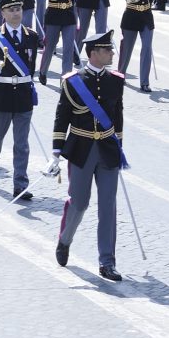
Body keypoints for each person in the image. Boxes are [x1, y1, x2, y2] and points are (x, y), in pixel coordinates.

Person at [48, 29, 126, 282]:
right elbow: (62, 117)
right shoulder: (73, 82)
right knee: (79, 202)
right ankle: (65, 239)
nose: (112, 53)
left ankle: (107, 262)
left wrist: (120, 146)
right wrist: (56, 153)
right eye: (107, 50)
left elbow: (118, 116)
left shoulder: (116, 80)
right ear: (94, 53)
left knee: (108, 207)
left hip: (107, 149)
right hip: (81, 149)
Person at [0, 0, 40, 200]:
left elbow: (31, 64)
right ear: (3, 13)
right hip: (2, 93)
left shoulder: (31, 36)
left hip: (23, 94)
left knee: (21, 143)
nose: (16, 13)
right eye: (11, 10)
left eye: (18, 9)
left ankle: (20, 184)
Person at [37, 0, 80, 84]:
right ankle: (43, 71)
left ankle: (65, 78)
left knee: (68, 47)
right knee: (50, 46)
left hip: (68, 14)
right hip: (54, 14)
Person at [118, 0, 155, 92]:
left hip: (146, 16)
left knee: (146, 48)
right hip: (131, 16)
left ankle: (144, 82)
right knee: (127, 49)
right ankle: (121, 74)